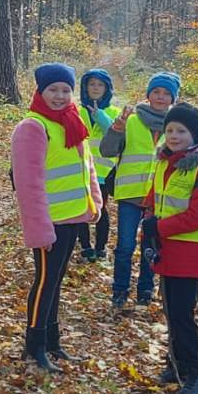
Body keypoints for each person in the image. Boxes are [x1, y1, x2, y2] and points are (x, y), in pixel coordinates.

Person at [11, 63, 102, 372]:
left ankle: (52, 342)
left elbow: (86, 165)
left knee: (57, 281)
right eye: (53, 90)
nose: (60, 96)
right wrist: (40, 230)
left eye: (66, 90)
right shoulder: (33, 127)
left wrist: (94, 201)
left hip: (73, 216)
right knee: (45, 282)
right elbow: (28, 183)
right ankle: (33, 347)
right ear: (40, 91)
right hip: (50, 224)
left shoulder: (73, 120)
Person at [141, 102, 198, 394]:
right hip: (168, 249)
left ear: (196, 135)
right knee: (171, 310)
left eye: (181, 131)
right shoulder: (166, 161)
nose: (174, 136)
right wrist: (148, 217)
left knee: (181, 314)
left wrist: (157, 227)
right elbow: (154, 195)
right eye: (169, 130)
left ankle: (197, 375)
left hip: (192, 251)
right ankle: (175, 364)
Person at [99, 72, 180, 310]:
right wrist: (116, 128)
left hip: (160, 200)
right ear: (148, 94)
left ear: (173, 98)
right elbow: (107, 150)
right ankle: (120, 290)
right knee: (125, 245)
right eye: (156, 92)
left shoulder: (176, 126)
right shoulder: (131, 120)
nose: (161, 97)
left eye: (166, 94)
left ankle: (146, 290)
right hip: (130, 194)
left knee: (151, 247)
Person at [77, 68, 118, 261]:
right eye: (92, 84)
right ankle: (86, 247)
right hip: (79, 170)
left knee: (100, 209)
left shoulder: (114, 112)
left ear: (106, 88)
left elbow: (116, 135)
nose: (95, 88)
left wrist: (100, 117)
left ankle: (101, 248)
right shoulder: (76, 111)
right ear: (85, 87)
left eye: (100, 85)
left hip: (103, 171)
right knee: (81, 208)